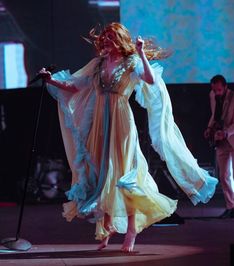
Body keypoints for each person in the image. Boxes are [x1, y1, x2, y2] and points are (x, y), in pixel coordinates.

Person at [39, 22, 218, 252]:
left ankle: (131, 232)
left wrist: (141, 53)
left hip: (122, 122)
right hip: (100, 124)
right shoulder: (98, 65)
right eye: (104, 37)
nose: (105, 41)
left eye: (110, 37)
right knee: (102, 175)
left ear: (119, 39)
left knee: (124, 174)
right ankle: (105, 229)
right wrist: (51, 80)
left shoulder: (130, 62)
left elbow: (151, 80)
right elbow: (76, 86)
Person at [204, 75, 234, 218]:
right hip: (220, 141)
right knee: (223, 176)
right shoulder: (212, 95)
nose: (216, 92)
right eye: (214, 89)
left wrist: (226, 132)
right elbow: (214, 114)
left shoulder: (233, 98)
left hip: (232, 138)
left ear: (225, 87)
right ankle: (231, 206)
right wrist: (209, 128)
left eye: (219, 90)